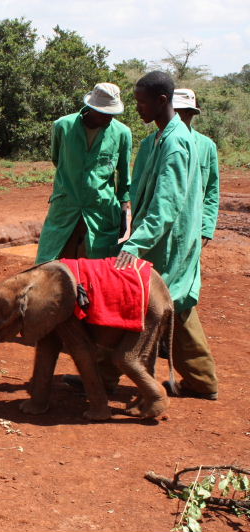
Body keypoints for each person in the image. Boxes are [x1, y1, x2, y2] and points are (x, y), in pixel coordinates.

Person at [114, 71, 218, 400]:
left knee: (162, 305)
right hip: (162, 238)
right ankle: (201, 381)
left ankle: (115, 378)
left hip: (168, 241)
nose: (138, 109)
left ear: (162, 101)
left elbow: (167, 205)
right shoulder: (159, 138)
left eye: (142, 102)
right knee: (172, 305)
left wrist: (136, 242)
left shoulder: (175, 143)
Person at [35, 82, 132, 263]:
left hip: (101, 210)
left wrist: (123, 211)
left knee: (97, 266)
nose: (109, 117)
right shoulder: (63, 126)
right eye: (104, 112)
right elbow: (58, 159)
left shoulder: (122, 133)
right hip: (66, 207)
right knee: (52, 263)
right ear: (91, 107)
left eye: (113, 113)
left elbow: (124, 175)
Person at [172, 88, 220, 248]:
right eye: (175, 111)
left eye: (185, 112)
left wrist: (206, 228)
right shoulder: (151, 143)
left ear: (191, 113)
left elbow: (212, 189)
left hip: (193, 223)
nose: (180, 116)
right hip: (160, 224)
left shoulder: (207, 146)